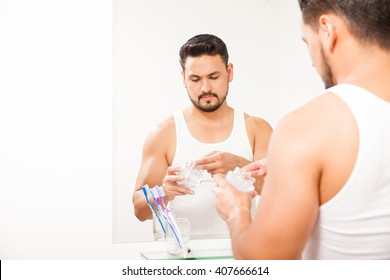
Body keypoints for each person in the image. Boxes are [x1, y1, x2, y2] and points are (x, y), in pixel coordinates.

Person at [213, 0, 390, 259]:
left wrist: (235, 210)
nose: (312, 62)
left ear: (327, 30)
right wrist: (298, 167)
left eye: (308, 43)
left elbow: (266, 264)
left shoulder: (309, 126)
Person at [132, 34, 272, 239]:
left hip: (240, 260)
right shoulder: (163, 133)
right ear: (183, 78)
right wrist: (164, 192)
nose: (205, 88)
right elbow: (139, 211)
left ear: (229, 72)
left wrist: (239, 166)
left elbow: (280, 197)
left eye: (214, 77)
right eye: (195, 79)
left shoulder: (256, 129)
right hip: (182, 262)